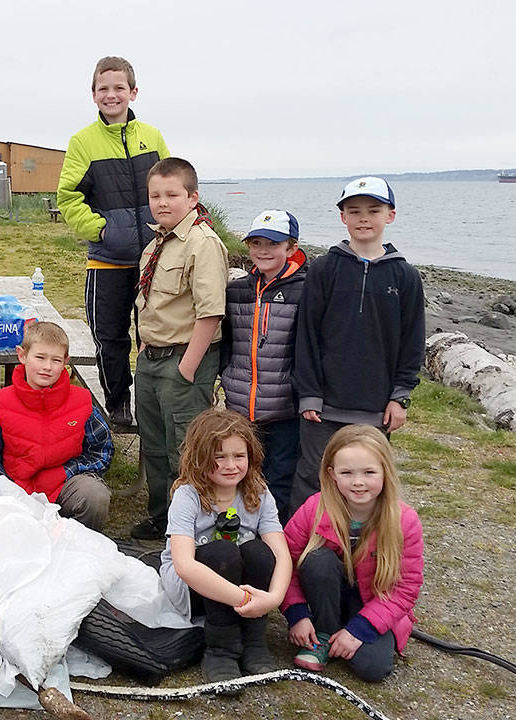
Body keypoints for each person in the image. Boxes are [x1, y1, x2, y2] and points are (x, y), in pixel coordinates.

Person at [291, 177, 425, 516]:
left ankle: (363, 551)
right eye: (354, 211)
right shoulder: (324, 269)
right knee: (313, 477)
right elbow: (305, 335)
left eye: (373, 210)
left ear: (390, 215)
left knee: (365, 483)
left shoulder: (405, 276)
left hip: (375, 408)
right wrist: (309, 393)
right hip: (323, 406)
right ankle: (304, 554)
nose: (363, 218)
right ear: (343, 218)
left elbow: (412, 342)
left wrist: (400, 396)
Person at [57, 55, 170, 430]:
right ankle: (118, 401)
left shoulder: (151, 137)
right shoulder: (82, 143)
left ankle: (153, 405)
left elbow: (170, 188)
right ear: (93, 95)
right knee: (110, 338)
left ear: (133, 92)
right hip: (107, 261)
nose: (111, 95)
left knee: (154, 337)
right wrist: (102, 230)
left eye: (119, 87)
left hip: (154, 260)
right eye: (103, 88)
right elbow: (69, 198)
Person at [131, 157, 228, 540]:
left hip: (184, 360)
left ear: (192, 197)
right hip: (152, 357)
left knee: (184, 449)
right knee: (153, 444)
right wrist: (142, 346)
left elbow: (210, 313)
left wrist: (188, 368)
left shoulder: (202, 243)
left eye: (172, 194)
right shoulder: (160, 240)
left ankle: (189, 526)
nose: (162, 202)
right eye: (155, 195)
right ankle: (161, 516)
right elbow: (151, 300)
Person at [159, 409, 292, 685]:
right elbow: (184, 565)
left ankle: (254, 640)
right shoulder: (187, 495)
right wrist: (243, 600)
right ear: (200, 458)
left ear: (251, 456)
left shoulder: (260, 493)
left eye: (238, 456)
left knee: (259, 551)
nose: (230, 464)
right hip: (194, 588)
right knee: (222, 551)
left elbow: (281, 554)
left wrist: (274, 599)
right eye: (219, 457)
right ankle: (220, 648)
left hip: (244, 593)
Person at [282, 424, 424, 681]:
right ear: (331, 473)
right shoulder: (314, 508)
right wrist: (297, 614)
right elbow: (285, 562)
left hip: (371, 602)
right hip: (324, 595)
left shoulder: (405, 520)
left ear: (385, 472)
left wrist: (360, 630)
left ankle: (348, 632)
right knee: (317, 559)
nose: (358, 482)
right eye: (347, 472)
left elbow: (406, 587)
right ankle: (324, 633)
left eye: (369, 472)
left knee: (373, 669)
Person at [0, 321, 113, 531]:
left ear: (66, 361)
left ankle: (75, 547)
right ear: (22, 355)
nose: (47, 367)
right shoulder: (1, 402)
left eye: (56, 360)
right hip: (16, 490)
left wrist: (68, 471)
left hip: (63, 485)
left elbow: (102, 451)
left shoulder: (81, 401)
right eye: (40, 357)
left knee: (95, 496)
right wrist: (9, 494)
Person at [221, 210, 308, 522]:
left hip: (285, 407)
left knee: (280, 476)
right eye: (256, 242)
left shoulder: (306, 290)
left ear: (291, 246)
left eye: (272, 243)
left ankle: (276, 539)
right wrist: (225, 376)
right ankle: (240, 533)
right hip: (241, 406)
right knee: (241, 472)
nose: (263, 250)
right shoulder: (237, 290)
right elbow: (227, 341)